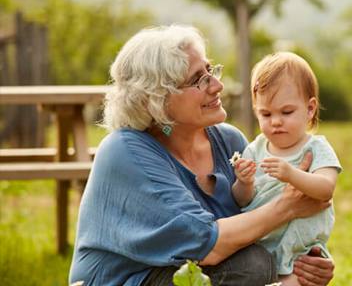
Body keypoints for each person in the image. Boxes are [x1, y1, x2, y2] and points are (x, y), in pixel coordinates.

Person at [68, 25, 335, 286]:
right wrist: (288, 206)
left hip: (194, 271)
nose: (217, 85)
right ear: (157, 99)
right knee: (252, 266)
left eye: (210, 70)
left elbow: (255, 223)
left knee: (256, 262)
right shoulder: (125, 151)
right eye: (199, 79)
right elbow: (208, 245)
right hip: (133, 278)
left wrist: (305, 261)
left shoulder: (229, 140)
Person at [232, 52, 341, 286]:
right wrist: (244, 182)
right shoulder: (255, 149)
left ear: (310, 109)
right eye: (266, 114)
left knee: (300, 280)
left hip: (301, 249)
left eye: (286, 112)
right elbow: (242, 201)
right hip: (262, 246)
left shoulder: (315, 148)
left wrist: (292, 174)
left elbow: (326, 189)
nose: (276, 121)